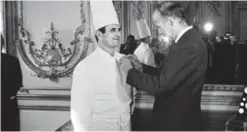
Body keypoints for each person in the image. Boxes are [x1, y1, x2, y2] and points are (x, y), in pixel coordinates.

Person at [120, 1, 208, 131]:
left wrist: (129, 72)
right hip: (175, 118)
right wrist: (141, 67)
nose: (158, 32)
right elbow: (167, 74)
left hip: (178, 122)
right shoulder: (185, 41)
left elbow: (162, 85)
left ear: (171, 21)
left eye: (158, 26)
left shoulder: (189, 46)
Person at [70, 0, 135, 131]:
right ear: (99, 34)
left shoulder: (124, 60)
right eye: (112, 30)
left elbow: (130, 98)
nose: (117, 34)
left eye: (118, 30)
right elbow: (80, 115)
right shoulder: (86, 67)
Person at [1, 35, 23, 131]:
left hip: (7, 102)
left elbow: (18, 80)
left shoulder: (12, 60)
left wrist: (10, 95)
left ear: (2, 45)